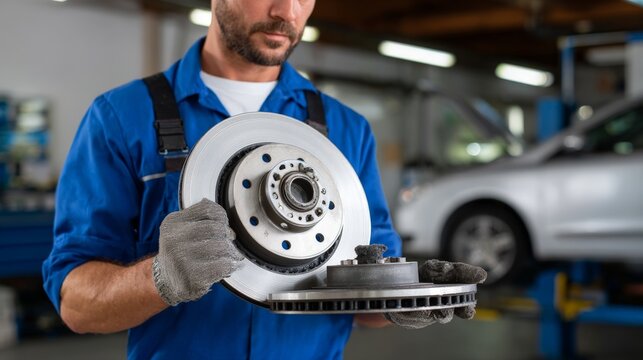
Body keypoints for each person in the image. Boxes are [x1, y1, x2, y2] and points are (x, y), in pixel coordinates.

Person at [42, 0, 484, 359]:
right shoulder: (121, 118)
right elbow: (77, 305)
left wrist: (406, 297)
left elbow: (358, 299)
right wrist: (160, 277)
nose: (287, 12)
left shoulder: (346, 130)